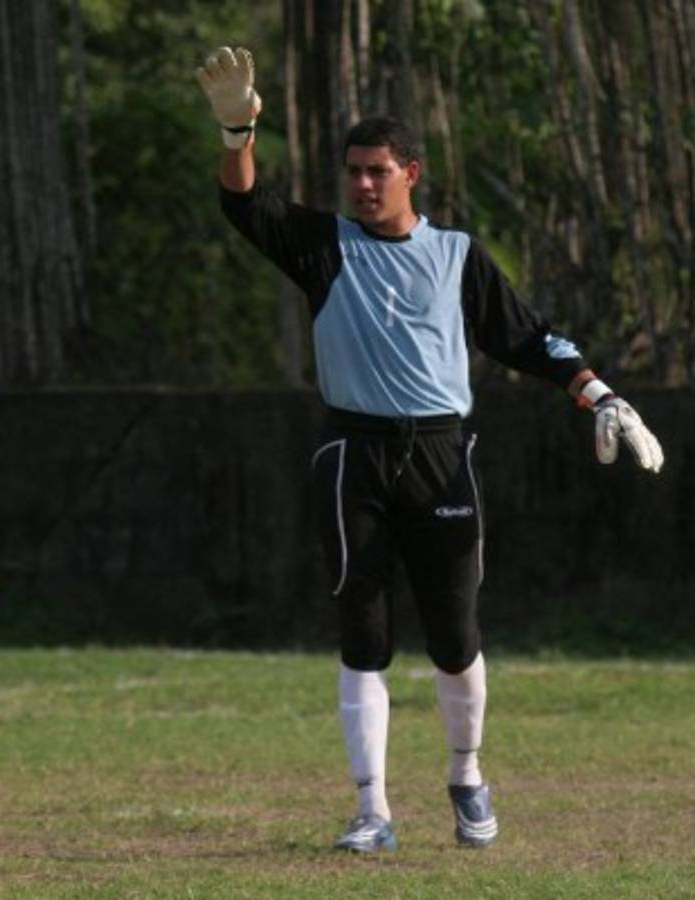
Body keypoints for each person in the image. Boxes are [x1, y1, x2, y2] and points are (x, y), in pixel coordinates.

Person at [195, 46, 664, 853]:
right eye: (353, 171)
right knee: (363, 635)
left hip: (442, 455)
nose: (363, 184)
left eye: (378, 170)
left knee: (454, 635)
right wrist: (238, 131)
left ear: (413, 172)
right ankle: (372, 810)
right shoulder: (324, 245)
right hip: (355, 455)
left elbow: (526, 338)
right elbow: (246, 206)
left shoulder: (456, 255)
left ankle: (467, 777)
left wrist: (600, 393)